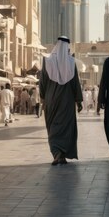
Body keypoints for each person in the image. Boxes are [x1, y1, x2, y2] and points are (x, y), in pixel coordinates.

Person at [40, 36, 83, 166]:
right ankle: (62, 154)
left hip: (51, 99)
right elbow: (76, 83)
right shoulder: (71, 62)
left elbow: (42, 82)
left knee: (53, 126)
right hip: (67, 100)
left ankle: (57, 154)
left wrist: (42, 98)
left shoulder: (47, 61)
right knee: (66, 127)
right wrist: (79, 101)